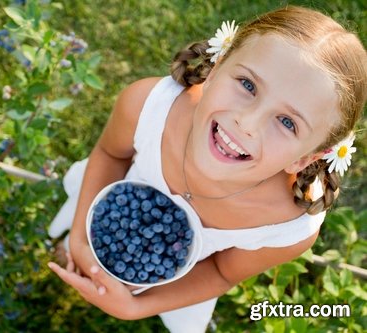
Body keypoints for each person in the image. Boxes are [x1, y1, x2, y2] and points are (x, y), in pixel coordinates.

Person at [47, 5, 366, 332]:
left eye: (287, 122)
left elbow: (220, 273)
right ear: (216, 69)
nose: (247, 123)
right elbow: (110, 155)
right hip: (111, 206)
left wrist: (135, 306)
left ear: (306, 158)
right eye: (248, 85)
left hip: (181, 279)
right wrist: (79, 238)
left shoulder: (287, 225)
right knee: (81, 238)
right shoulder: (148, 107)